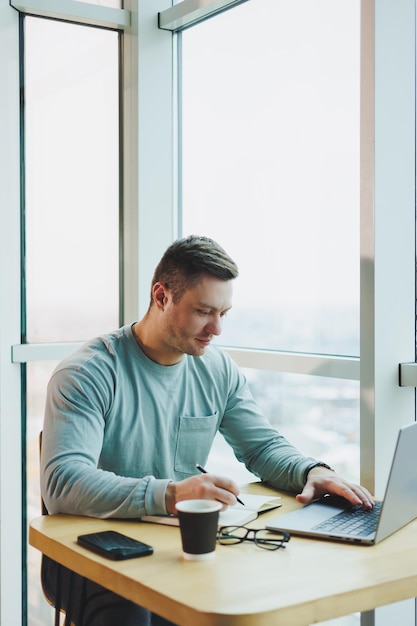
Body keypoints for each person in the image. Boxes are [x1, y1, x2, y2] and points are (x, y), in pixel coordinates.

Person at [40, 234, 373, 626]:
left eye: (224, 313)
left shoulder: (216, 369)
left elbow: (261, 447)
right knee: (136, 610)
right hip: (100, 554)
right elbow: (62, 483)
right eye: (203, 311)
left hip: (187, 548)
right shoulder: (88, 374)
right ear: (162, 296)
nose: (216, 329)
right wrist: (172, 494)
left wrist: (312, 472)